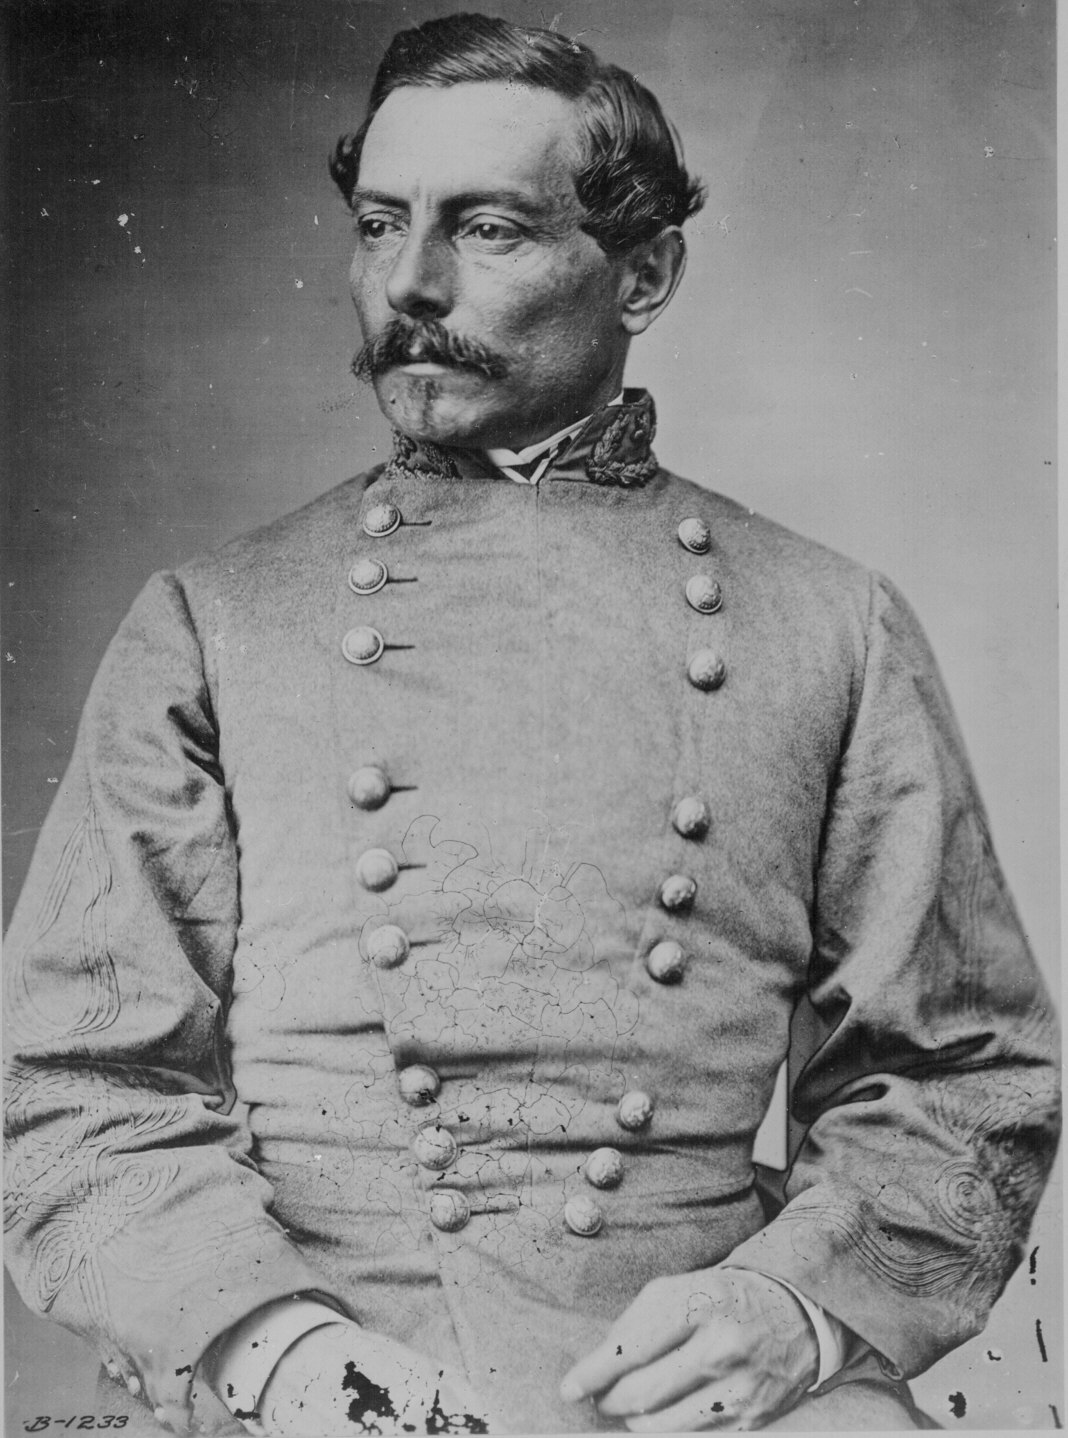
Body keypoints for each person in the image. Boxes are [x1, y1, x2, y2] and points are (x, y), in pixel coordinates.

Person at [3, 12, 1059, 1435]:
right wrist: (280, 1353)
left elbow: (959, 1070)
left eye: (487, 228)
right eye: (381, 224)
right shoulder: (212, 619)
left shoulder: (830, 622)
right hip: (310, 1371)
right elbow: (74, 1079)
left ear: (646, 272)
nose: (411, 282)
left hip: (689, 1382)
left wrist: (795, 1310)